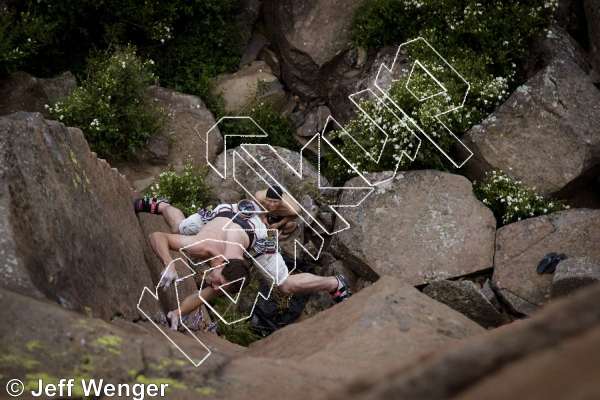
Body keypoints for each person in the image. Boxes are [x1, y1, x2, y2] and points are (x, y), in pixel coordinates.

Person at [134, 196, 351, 330]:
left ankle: (334, 284)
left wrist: (178, 313)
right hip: (232, 215)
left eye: (219, 285)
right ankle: (162, 205)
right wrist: (169, 263)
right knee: (180, 229)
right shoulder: (203, 245)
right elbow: (157, 236)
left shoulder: (228, 275)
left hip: (253, 234)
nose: (215, 285)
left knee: (283, 285)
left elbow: (209, 292)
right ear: (220, 266)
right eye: (219, 283)